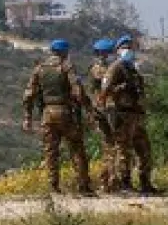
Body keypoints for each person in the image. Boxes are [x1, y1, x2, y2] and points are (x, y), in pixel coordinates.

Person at [22, 40, 95, 195]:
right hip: (66, 113)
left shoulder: (40, 69)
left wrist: (27, 117)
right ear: (64, 52)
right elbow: (78, 91)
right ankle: (83, 186)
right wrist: (88, 109)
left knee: (51, 151)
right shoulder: (66, 67)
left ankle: (53, 187)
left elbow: (29, 95)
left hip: (47, 114)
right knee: (76, 148)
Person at [99, 43, 156, 194]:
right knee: (124, 150)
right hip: (121, 114)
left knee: (144, 148)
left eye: (130, 47)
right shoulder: (115, 68)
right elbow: (105, 90)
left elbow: (140, 90)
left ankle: (145, 182)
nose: (128, 50)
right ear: (118, 50)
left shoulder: (133, 69)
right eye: (125, 47)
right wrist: (121, 88)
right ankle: (125, 183)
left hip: (135, 114)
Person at [85, 38, 118, 189]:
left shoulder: (93, 68)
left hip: (98, 108)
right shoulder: (112, 69)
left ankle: (106, 180)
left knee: (107, 144)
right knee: (114, 144)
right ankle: (111, 180)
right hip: (110, 109)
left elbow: (90, 90)